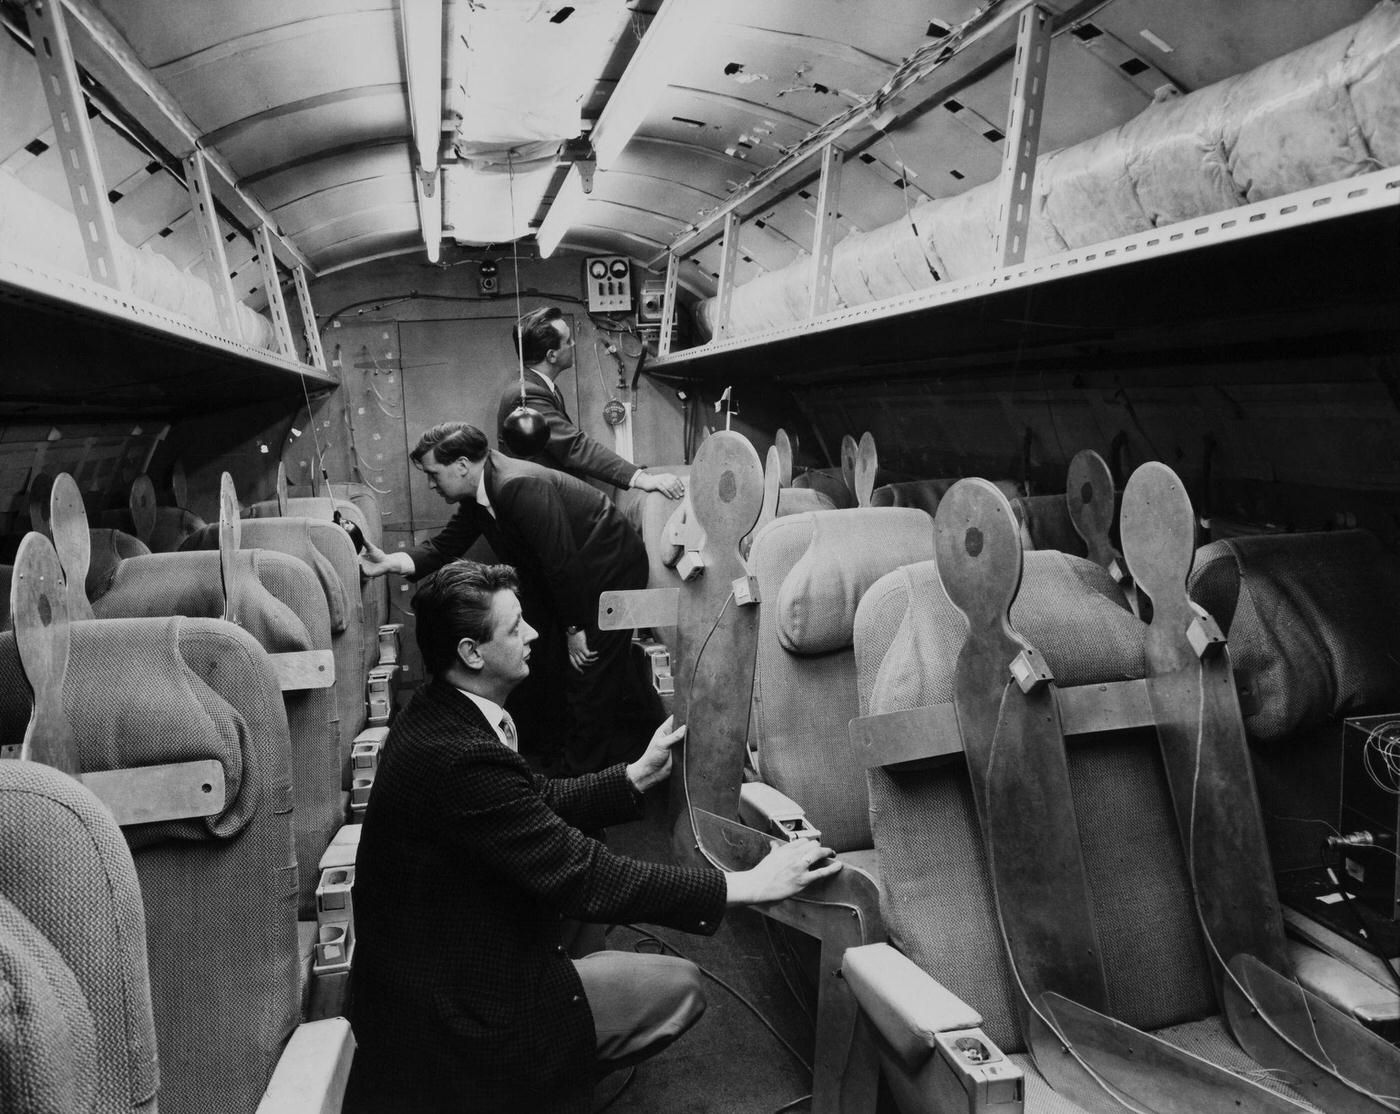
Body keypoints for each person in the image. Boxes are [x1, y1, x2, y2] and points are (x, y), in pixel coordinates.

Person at [342, 560, 840, 1114]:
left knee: (588, 850)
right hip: (456, 1019)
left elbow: (528, 804)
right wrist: (741, 887)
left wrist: (633, 774)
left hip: (439, 964)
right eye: (515, 628)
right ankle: (529, 1085)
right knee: (680, 987)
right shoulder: (458, 756)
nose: (533, 635)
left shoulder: (439, 712)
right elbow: (584, 874)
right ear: (471, 653)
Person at [358, 421, 646, 772]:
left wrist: (575, 629)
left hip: (607, 570)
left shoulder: (516, 485)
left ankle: (585, 780)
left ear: (462, 465)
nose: (432, 484)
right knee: (551, 667)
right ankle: (557, 763)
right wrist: (390, 562)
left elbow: (561, 563)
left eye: (434, 474)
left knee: (589, 673)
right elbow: (446, 544)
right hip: (569, 577)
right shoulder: (481, 492)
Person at [498, 306, 685, 499]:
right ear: (551, 355)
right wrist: (641, 479)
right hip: (538, 502)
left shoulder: (542, 388)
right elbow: (574, 446)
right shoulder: (528, 394)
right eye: (567, 341)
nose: (574, 344)